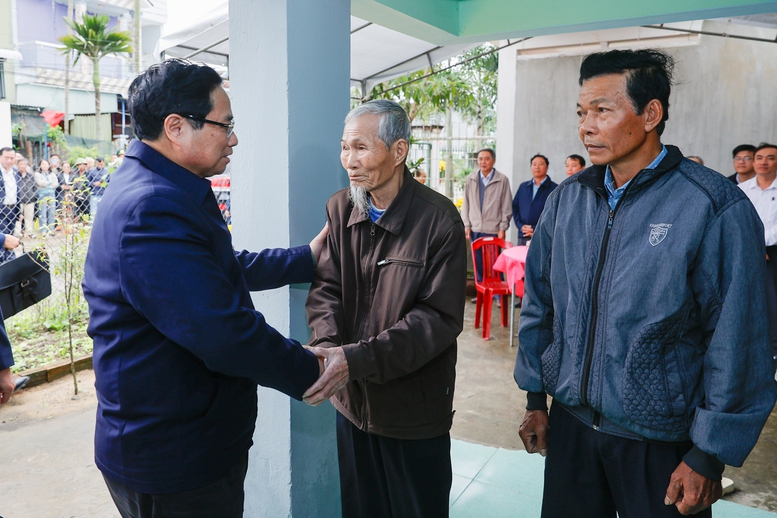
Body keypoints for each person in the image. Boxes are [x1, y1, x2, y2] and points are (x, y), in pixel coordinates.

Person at [514, 49, 776, 518]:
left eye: (602, 110)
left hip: (661, 440)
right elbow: (540, 303)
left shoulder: (712, 206)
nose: (586, 126)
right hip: (571, 426)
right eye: (581, 112)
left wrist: (707, 454)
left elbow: (739, 340)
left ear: (650, 113)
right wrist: (536, 397)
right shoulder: (568, 200)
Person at [82, 58, 327, 518]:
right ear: (176, 127)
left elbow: (214, 270)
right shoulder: (152, 206)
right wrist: (311, 369)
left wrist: (307, 259)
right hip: (174, 456)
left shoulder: (161, 186)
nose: (233, 139)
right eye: (225, 125)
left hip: (180, 441)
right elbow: (222, 332)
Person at [304, 99, 467, 518]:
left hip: (412, 411)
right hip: (352, 404)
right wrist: (327, 349)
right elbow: (326, 288)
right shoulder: (341, 208)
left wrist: (356, 359)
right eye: (344, 148)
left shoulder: (439, 220)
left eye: (361, 148)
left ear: (398, 152)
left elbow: (437, 318)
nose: (349, 161)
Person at [739, 143, 777, 367]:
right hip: (749, 251)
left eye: (770, 158)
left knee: (772, 305)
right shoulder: (743, 189)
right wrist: (754, 246)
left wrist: (761, 243)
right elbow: (740, 221)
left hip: (772, 252)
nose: (763, 162)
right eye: (759, 157)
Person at [461, 148, 512, 281]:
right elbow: (466, 204)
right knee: (478, 263)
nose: (483, 162)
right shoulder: (471, 179)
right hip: (475, 228)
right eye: (480, 159)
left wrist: (502, 228)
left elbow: (506, 206)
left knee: (494, 262)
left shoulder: (502, 180)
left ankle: (496, 292)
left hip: (493, 229)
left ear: (493, 161)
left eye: (487, 159)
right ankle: (481, 292)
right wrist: (467, 225)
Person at [512, 154, 558, 245]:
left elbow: (554, 214)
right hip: (523, 234)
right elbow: (515, 208)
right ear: (531, 167)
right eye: (534, 164)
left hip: (542, 235)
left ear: (547, 167)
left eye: (541, 164)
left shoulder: (554, 188)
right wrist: (521, 226)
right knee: (521, 258)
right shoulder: (523, 187)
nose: (537, 167)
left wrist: (535, 228)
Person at [0, 147, 20, 263]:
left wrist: (18, 211)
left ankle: (9, 261)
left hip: (12, 209)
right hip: (1, 210)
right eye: (6, 157)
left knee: (11, 235)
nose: (9, 160)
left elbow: (18, 192)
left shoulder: (15, 172)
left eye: (12, 158)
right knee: (4, 237)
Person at [33, 159, 58, 235]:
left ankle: (51, 229)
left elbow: (56, 184)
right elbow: (40, 183)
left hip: (51, 194)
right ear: (40, 165)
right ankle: (44, 230)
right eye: (43, 164)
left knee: (52, 212)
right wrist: (49, 183)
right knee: (42, 212)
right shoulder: (37, 174)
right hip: (42, 194)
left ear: (49, 165)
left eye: (46, 164)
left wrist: (46, 184)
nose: (44, 166)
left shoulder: (52, 174)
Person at [14, 158, 36, 237]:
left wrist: (33, 196)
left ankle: (29, 232)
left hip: (30, 200)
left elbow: (34, 187)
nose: (23, 166)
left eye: (24, 164)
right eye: (21, 164)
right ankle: (17, 233)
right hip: (18, 201)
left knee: (29, 217)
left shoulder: (30, 176)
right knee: (18, 218)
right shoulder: (15, 176)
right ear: (17, 165)